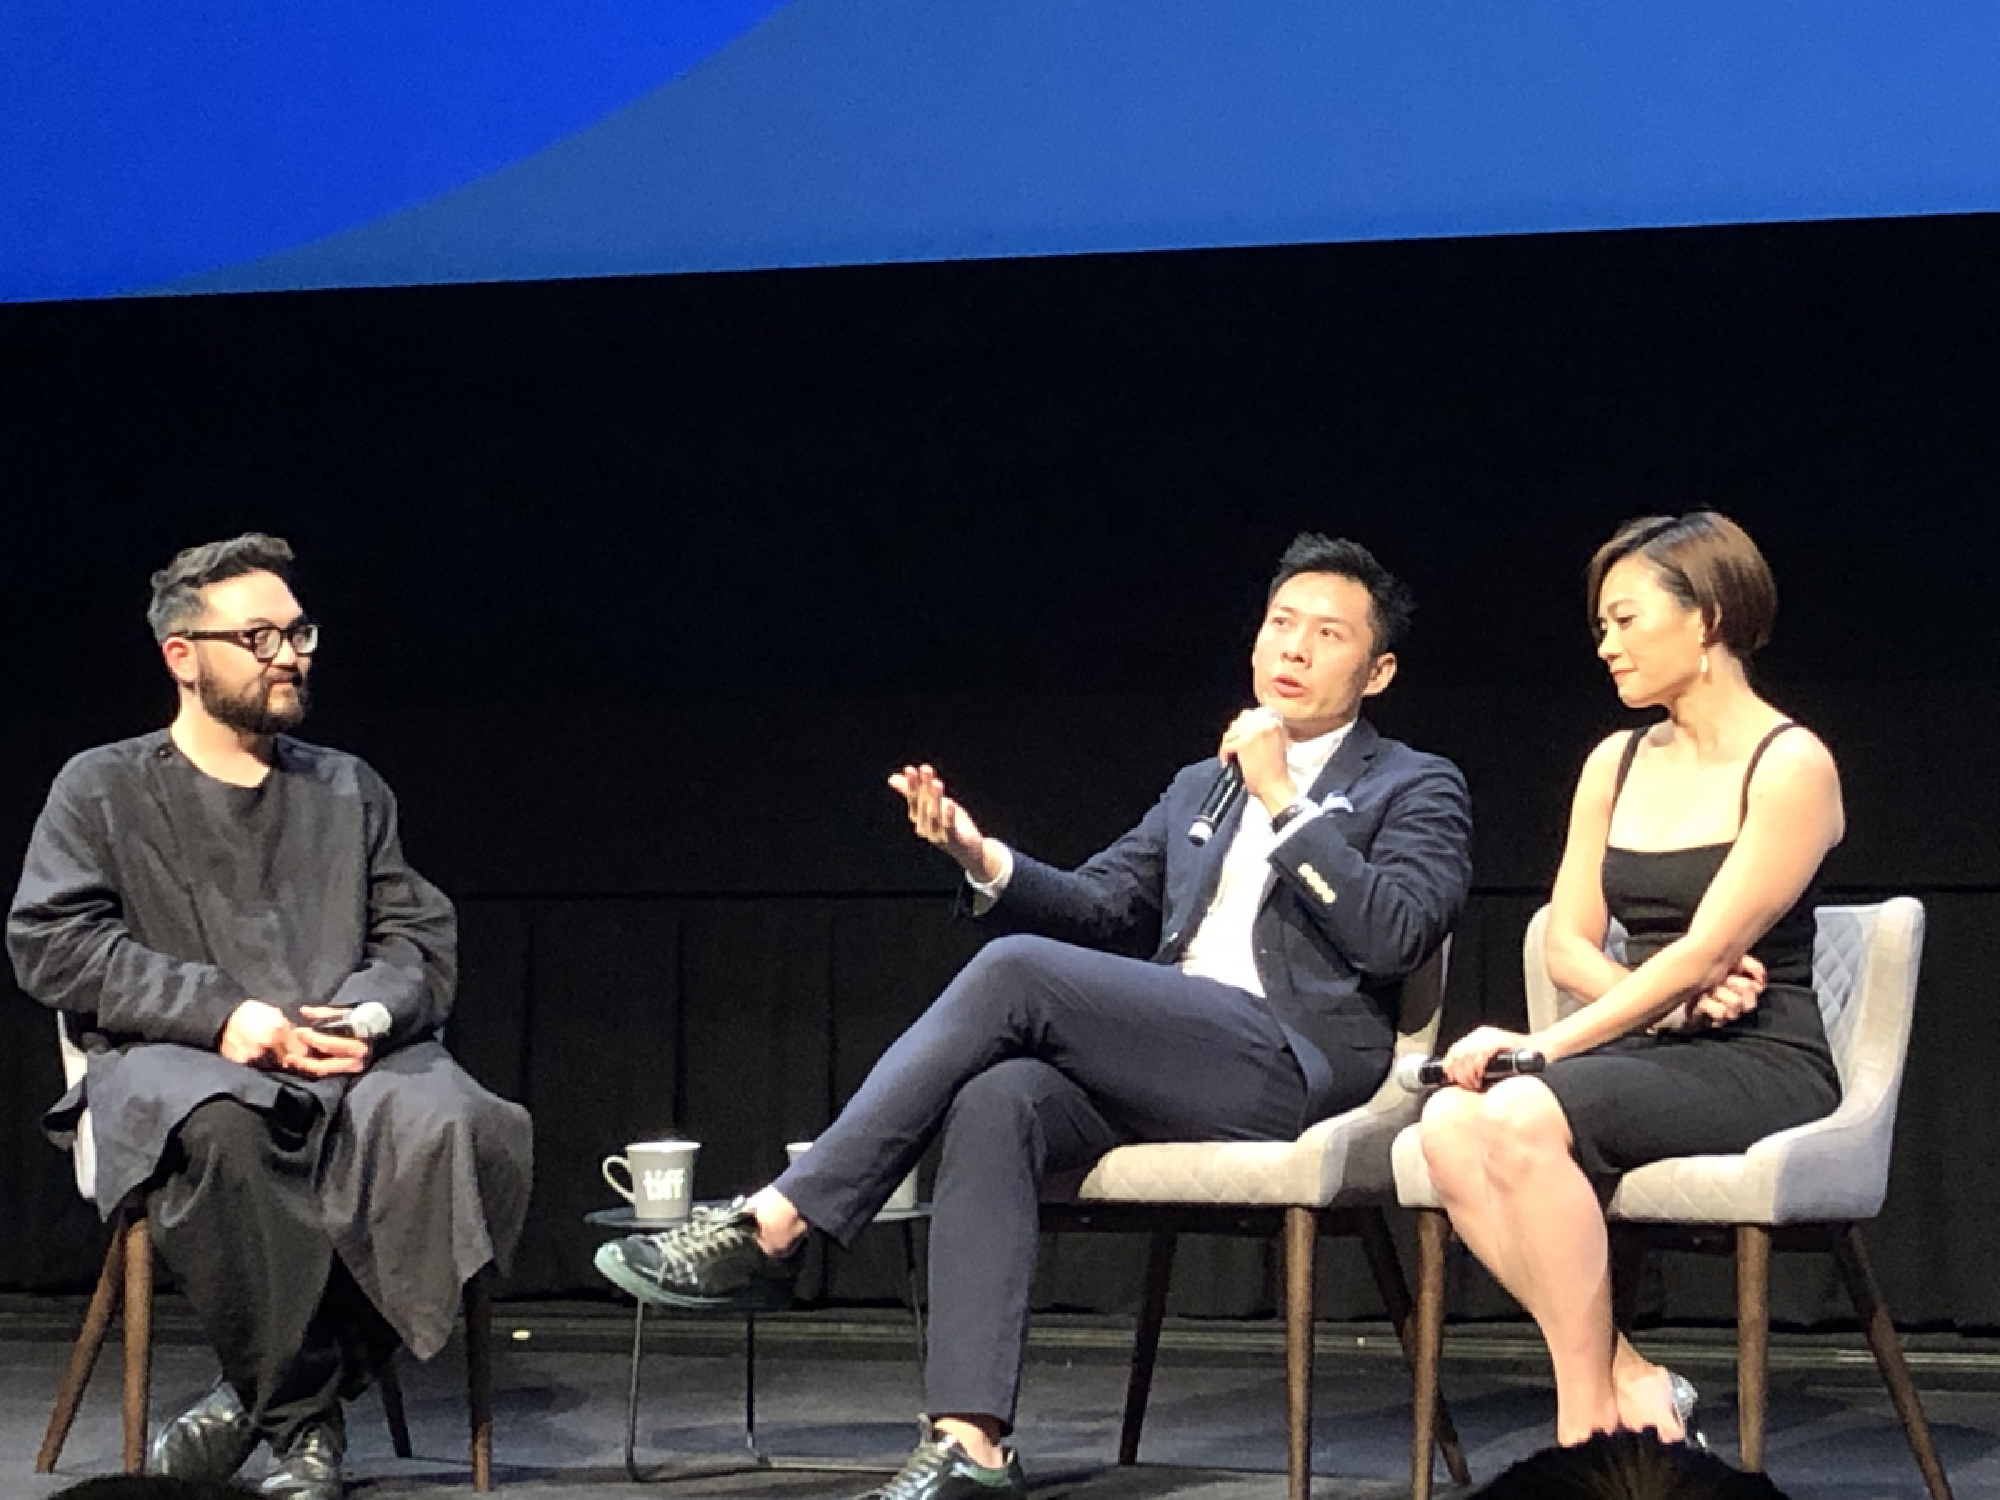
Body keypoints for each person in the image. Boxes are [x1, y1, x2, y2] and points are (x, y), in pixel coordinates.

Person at [596, 533, 1473, 1499]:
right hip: (1177, 1052)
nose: (1292, 650)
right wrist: (983, 858)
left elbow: (1394, 938)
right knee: (1000, 1098)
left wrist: (1281, 796)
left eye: (1326, 634)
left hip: (1294, 1065)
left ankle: (777, 1220)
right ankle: (972, 1440)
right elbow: (1103, 907)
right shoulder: (1200, 784)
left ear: (1378, 668)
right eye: (1279, 625)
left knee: (1015, 971)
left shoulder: (1415, 784)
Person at [8, 534, 534, 1500]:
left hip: (348, 1057)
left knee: (465, 1125)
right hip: (178, 1056)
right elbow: (52, 943)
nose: (290, 654)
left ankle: (260, 1406)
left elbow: (419, 939)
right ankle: (303, 1423)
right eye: (259, 636)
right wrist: (222, 1016)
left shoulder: (348, 786)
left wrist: (372, 1017)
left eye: (298, 633)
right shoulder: (103, 786)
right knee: (226, 1127)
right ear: (183, 656)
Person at [1418, 512, 1843, 1449]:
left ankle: (1582, 1433)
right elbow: (1563, 942)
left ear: (1709, 616)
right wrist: (1646, 1005)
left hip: (1761, 1055)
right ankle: (1628, 1383)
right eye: (1600, 626)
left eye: (1625, 619)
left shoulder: (1791, 763)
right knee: (1449, 1125)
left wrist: (1540, 1050)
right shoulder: (1611, 761)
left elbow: (1703, 950)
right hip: (1650, 1040)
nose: (1606, 646)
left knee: (1522, 1110)